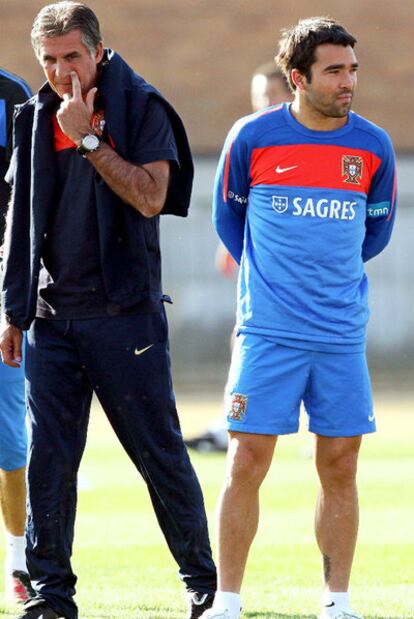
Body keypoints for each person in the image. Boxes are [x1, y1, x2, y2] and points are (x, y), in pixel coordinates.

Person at [0, 3, 216, 619]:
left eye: (72, 56)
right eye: (49, 59)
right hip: (50, 320)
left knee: (159, 453)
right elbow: (20, 224)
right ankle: (50, 596)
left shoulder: (141, 104)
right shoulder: (35, 115)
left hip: (125, 316)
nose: (61, 71)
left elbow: (151, 198)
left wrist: (90, 137)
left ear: (98, 49)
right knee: (50, 461)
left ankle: (205, 586)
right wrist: (13, 311)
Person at [201, 17, 396, 619]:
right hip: (267, 333)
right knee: (245, 459)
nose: (348, 82)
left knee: (340, 463)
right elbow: (229, 222)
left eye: (352, 70)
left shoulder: (374, 146)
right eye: (334, 71)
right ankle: (228, 601)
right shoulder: (253, 138)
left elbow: (375, 232)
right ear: (297, 78)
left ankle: (337, 602)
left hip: (339, 335)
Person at [185, 63, 292, 453]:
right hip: (263, 266)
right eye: (257, 98)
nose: (262, 105)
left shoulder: (302, 141)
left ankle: (304, 424)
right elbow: (236, 203)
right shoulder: (252, 138)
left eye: (270, 97)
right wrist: (232, 246)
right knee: (246, 334)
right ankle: (233, 418)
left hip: (301, 270)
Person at [0, 67, 34, 604]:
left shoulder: (12, 94)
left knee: (9, 436)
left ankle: (19, 563)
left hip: (1, 280)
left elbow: (26, 192)